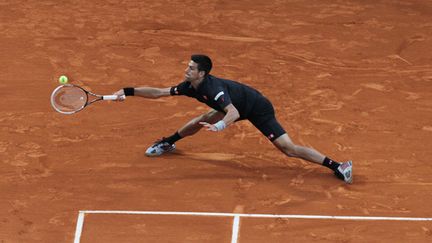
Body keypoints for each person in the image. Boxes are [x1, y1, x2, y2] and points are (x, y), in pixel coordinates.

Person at [113, 54, 353, 184]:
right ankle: (169, 142)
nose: (186, 70)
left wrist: (220, 125)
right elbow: (159, 92)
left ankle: (338, 166)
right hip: (233, 105)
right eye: (187, 67)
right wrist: (128, 90)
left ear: (202, 73)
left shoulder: (214, 89)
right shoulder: (189, 86)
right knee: (200, 119)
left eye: (191, 68)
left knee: (287, 149)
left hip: (256, 107)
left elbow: (233, 113)